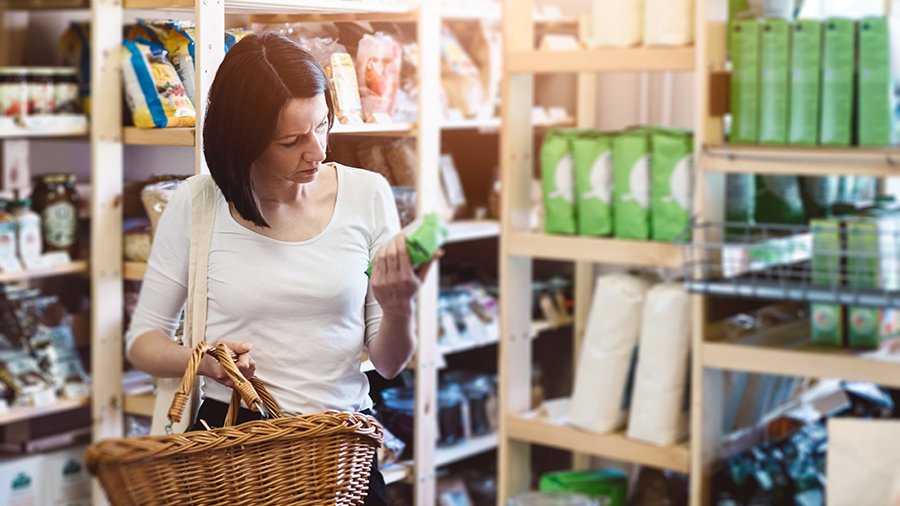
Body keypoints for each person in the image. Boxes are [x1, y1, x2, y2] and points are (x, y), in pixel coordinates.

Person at [125, 32, 434, 505]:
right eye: (291, 141)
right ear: (243, 141)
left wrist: (400, 308)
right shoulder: (198, 204)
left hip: (342, 448)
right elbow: (142, 343)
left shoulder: (368, 195)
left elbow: (388, 363)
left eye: (322, 125)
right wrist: (204, 361)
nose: (318, 152)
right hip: (233, 451)